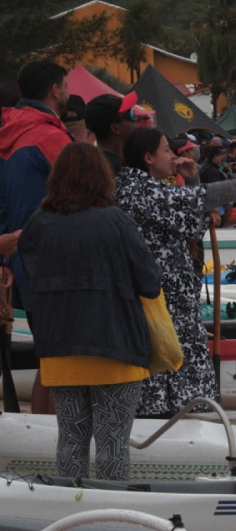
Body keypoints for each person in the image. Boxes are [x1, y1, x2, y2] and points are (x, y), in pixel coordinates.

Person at [114, 127, 236, 417]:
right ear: (147, 157)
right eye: (166, 150)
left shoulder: (143, 187)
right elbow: (201, 200)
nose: (173, 156)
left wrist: (192, 178)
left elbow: (195, 213)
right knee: (167, 385)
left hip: (170, 301)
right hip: (161, 303)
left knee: (178, 377)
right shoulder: (139, 190)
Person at [17, 142, 162, 480]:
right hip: (115, 346)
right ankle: (109, 526)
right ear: (101, 177)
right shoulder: (116, 221)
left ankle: (69, 513)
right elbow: (150, 282)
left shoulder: (39, 223)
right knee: (112, 447)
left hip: (60, 348)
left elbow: (31, 276)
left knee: (70, 440)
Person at [0, 59, 73, 415]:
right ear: (55, 90)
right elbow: (87, 193)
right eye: (66, 85)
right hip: (52, 260)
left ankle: (44, 441)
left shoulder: (7, 132)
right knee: (58, 361)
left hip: (20, 259)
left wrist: (4, 258)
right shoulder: (48, 135)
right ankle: (54, 447)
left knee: (49, 359)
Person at [85, 92, 139, 175]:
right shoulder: (121, 173)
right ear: (115, 128)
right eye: (131, 115)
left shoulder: (90, 163)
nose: (137, 121)